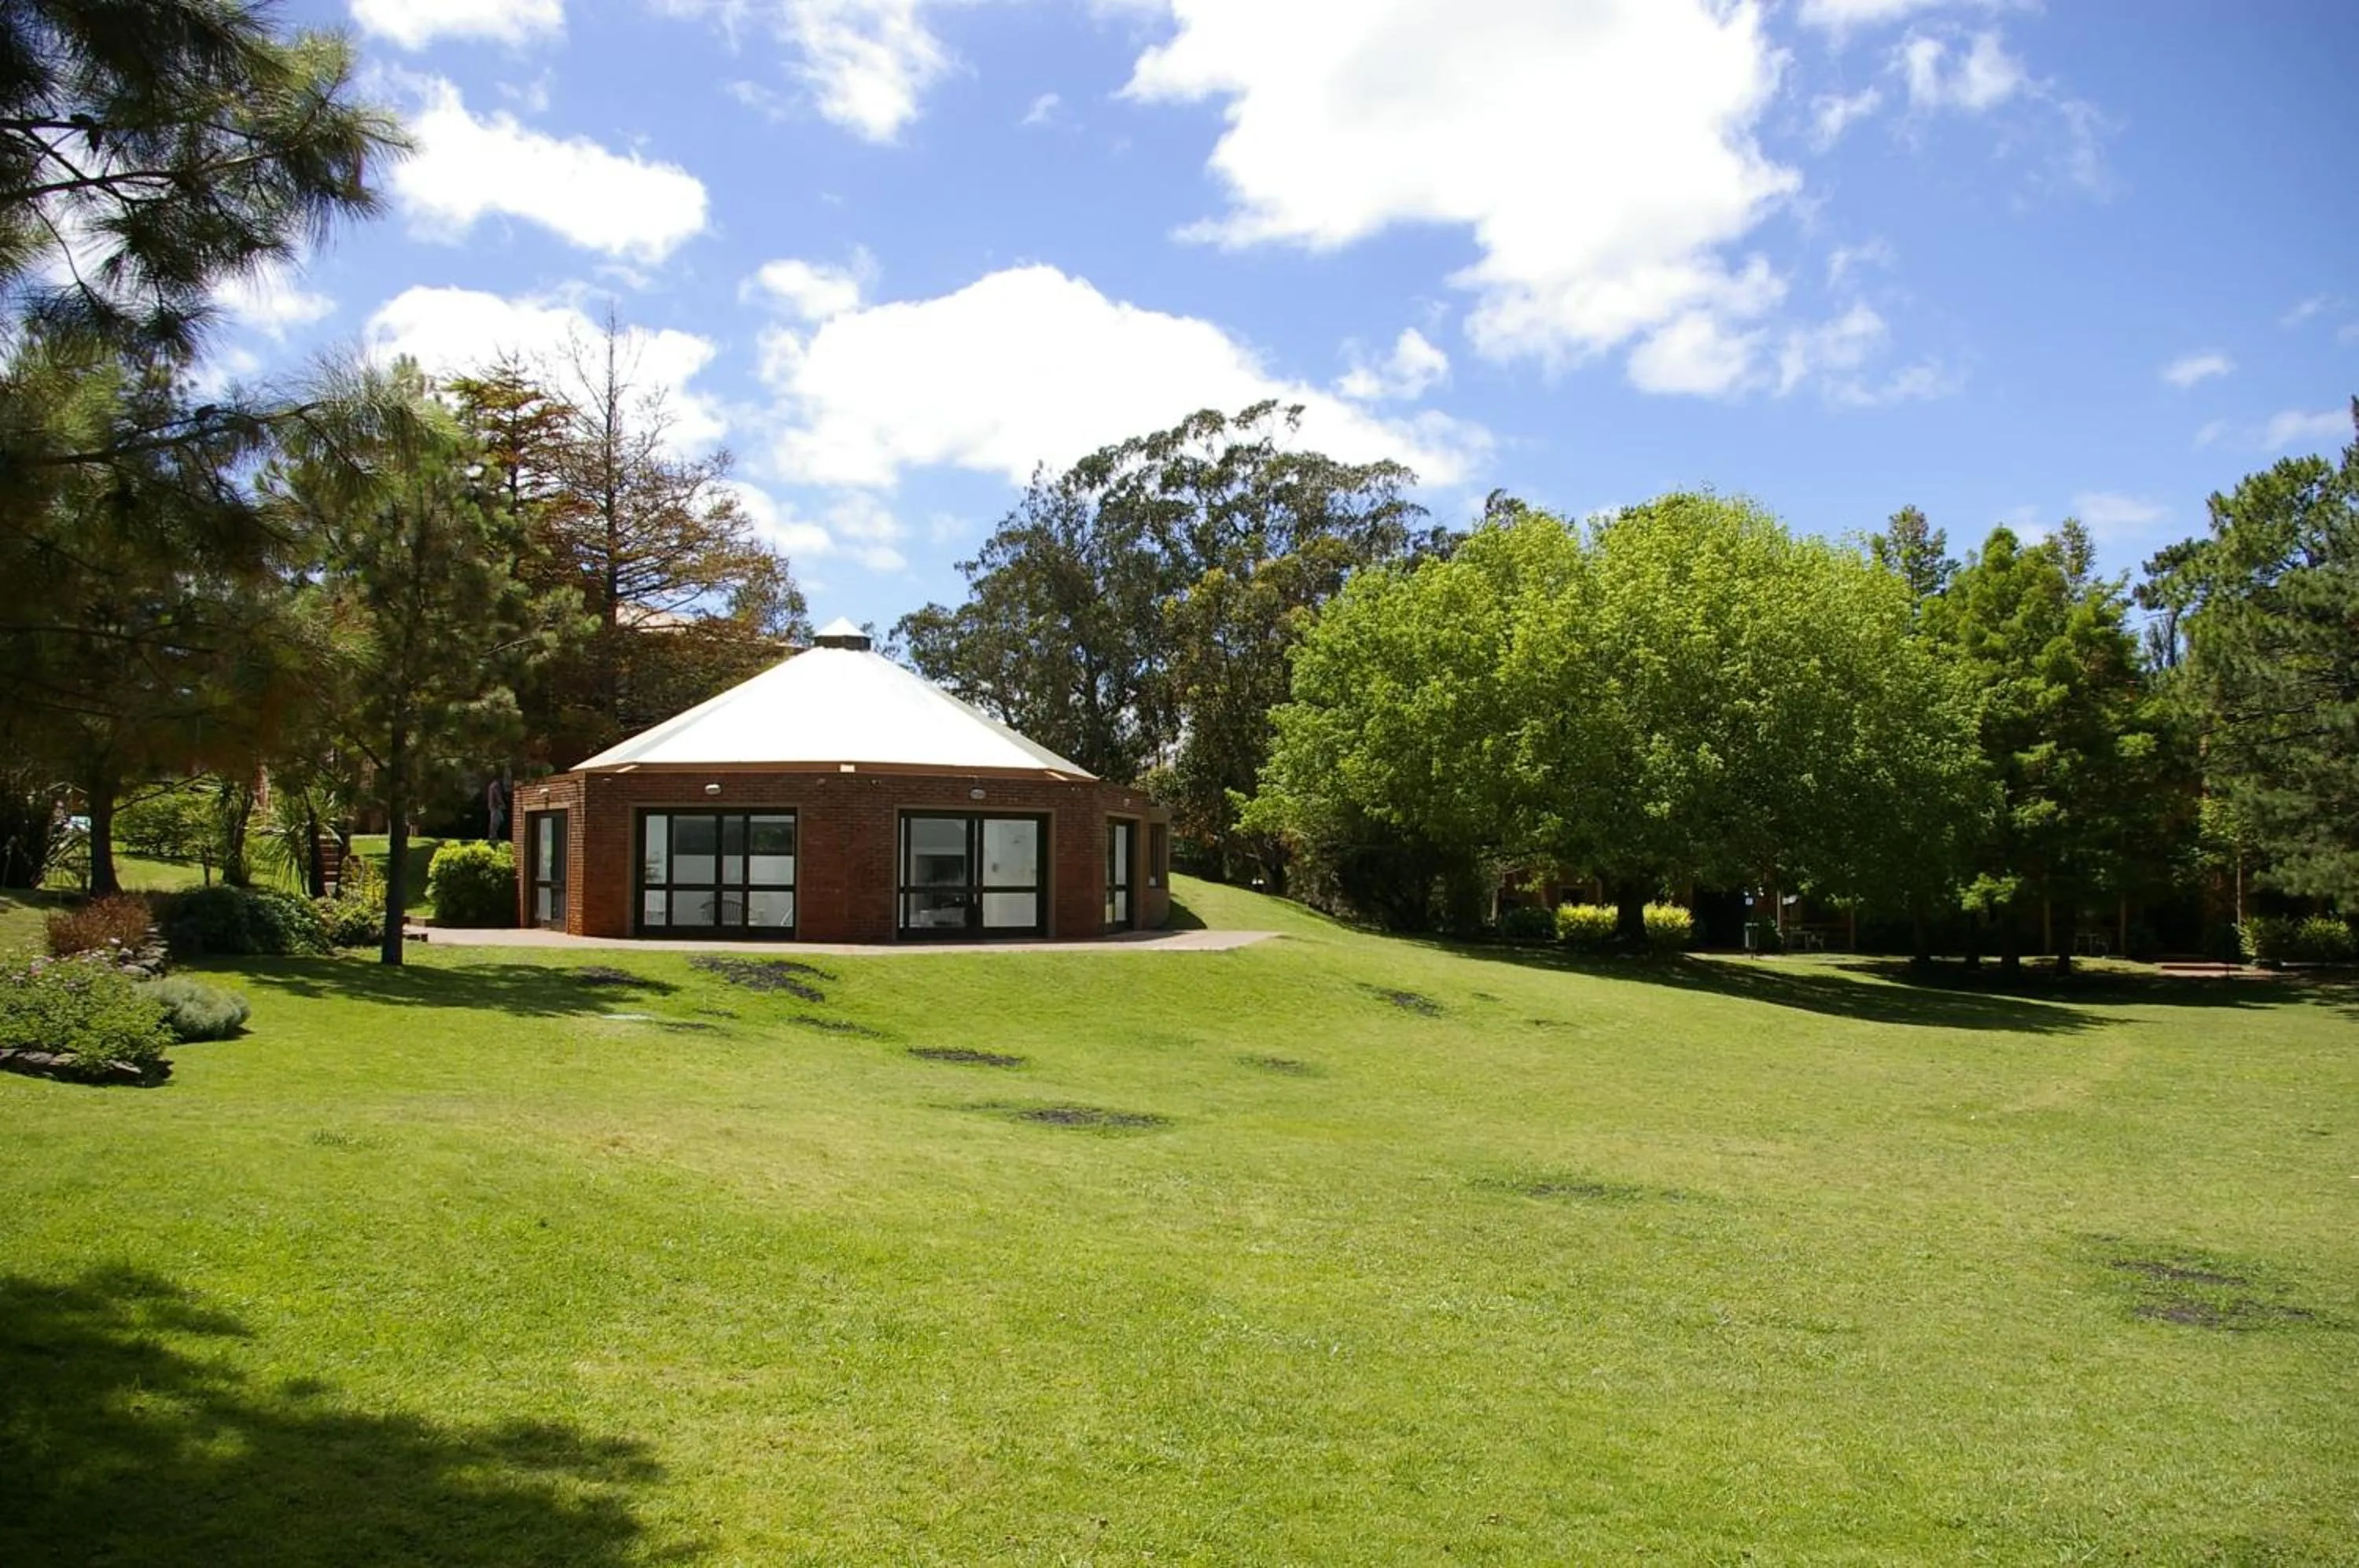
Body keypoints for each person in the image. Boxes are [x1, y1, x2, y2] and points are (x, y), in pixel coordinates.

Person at [485, 776, 508, 842]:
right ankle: (492, 836)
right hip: (495, 807)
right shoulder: (496, 785)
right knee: (496, 821)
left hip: (494, 806)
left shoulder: (492, 785)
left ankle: (493, 835)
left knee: (499, 820)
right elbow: (498, 795)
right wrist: (502, 803)